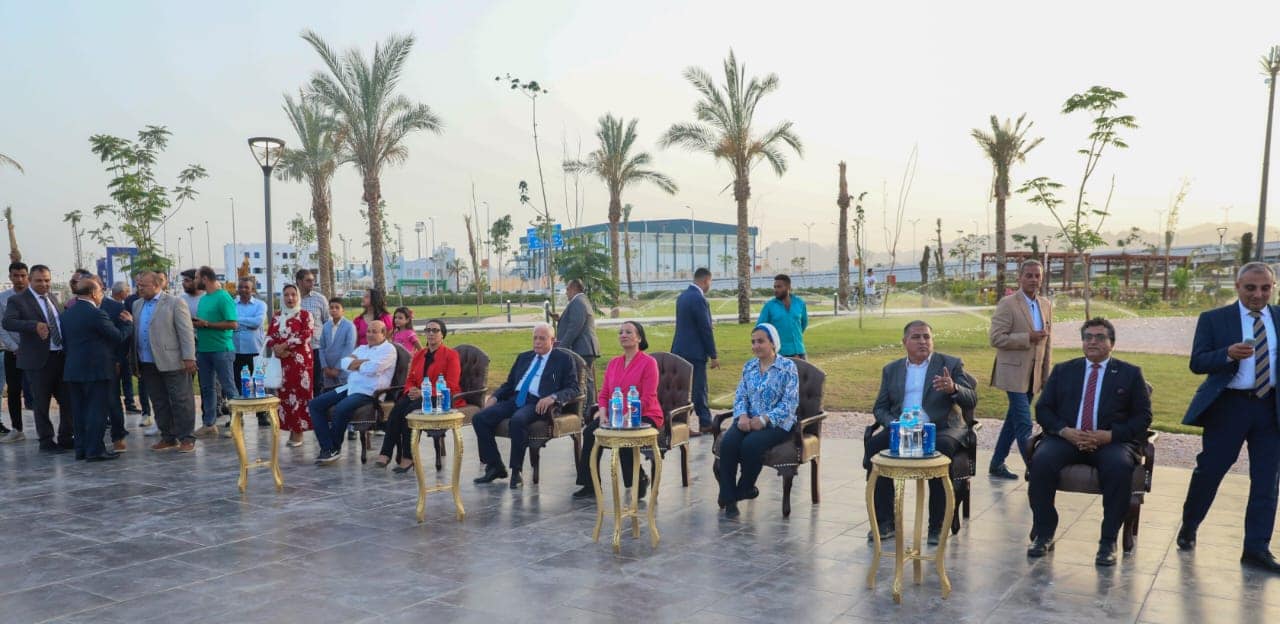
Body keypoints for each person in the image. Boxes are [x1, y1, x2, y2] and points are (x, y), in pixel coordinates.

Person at [1177, 262, 1280, 572]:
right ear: (1237, 287)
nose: (1258, 294)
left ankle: (1256, 549)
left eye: (1265, 288)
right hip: (1229, 407)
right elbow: (1197, 362)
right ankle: (1190, 525)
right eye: (1250, 288)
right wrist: (1226, 354)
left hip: (1270, 408)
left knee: (1267, 480)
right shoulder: (1214, 319)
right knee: (1210, 471)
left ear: (1272, 288)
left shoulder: (1278, 317)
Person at [1027, 318, 1151, 566]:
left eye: (1100, 337)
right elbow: (1043, 410)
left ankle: (1108, 541)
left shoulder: (1130, 374)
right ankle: (1044, 533)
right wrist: (1065, 432)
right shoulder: (1064, 371)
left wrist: (1110, 436)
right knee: (1041, 461)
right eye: (1088, 337)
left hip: (1110, 441)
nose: (1093, 342)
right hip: (1067, 438)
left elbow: (1143, 417)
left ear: (1112, 343)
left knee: (1119, 467)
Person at [865, 320, 977, 544]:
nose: (922, 341)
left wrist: (953, 388)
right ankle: (885, 522)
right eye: (916, 337)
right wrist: (894, 424)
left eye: (927, 336)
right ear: (904, 342)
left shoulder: (950, 364)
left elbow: (971, 398)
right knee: (875, 446)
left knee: (941, 449)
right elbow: (880, 408)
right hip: (904, 428)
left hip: (940, 428)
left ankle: (938, 526)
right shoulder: (892, 369)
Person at [472, 323, 579, 489]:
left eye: (542, 338)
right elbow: (509, 384)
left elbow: (573, 388)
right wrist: (495, 397)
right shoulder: (524, 357)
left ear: (552, 341)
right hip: (515, 399)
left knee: (518, 420)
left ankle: (516, 471)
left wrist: (553, 397)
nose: (537, 342)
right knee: (480, 418)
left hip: (538, 403)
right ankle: (495, 466)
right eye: (535, 338)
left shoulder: (563, 360)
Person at [717, 323, 798, 518]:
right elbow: (740, 396)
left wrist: (764, 419)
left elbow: (790, 403)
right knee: (728, 443)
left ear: (773, 343)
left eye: (760, 341)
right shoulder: (749, 366)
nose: (756, 346)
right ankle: (730, 500)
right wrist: (742, 416)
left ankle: (743, 490)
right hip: (748, 419)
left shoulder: (787, 367)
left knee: (751, 444)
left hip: (778, 423)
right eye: (753, 342)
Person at [572, 321, 661, 500]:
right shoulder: (614, 363)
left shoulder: (649, 363)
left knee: (623, 433)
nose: (623, 335)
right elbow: (604, 394)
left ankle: (638, 478)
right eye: (621, 332)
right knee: (590, 432)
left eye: (628, 332)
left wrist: (629, 415)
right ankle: (589, 484)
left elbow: (648, 397)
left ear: (639, 338)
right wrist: (603, 413)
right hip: (616, 414)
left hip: (644, 414)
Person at [988, 259, 1053, 480]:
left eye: (1037, 276)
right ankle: (1035, 472)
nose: (1034, 280)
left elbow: (1047, 343)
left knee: (1012, 421)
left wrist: (1045, 375)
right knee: (1024, 422)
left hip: (1033, 375)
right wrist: (1028, 337)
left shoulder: (1046, 304)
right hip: (1013, 374)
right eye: (1029, 275)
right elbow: (996, 338)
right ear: (1020, 278)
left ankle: (997, 463)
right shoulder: (1008, 303)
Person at [377, 318, 464, 472]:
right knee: (397, 409)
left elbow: (451, 384)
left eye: (435, 330)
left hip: (439, 398)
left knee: (410, 412)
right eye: (428, 330)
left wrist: (424, 392)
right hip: (418, 394)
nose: (431, 333)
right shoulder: (420, 354)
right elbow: (410, 379)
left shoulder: (451, 355)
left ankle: (408, 457)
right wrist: (410, 389)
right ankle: (386, 452)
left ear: (442, 334)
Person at [61, 277, 133, 461]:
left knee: (79, 411)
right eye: (100, 291)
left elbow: (66, 342)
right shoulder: (96, 313)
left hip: (73, 369)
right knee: (96, 411)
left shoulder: (67, 313)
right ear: (94, 293)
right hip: (96, 370)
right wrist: (128, 324)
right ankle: (95, 450)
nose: (102, 295)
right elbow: (117, 336)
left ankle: (81, 449)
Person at [2, 264, 72, 452]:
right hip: (38, 360)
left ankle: (66, 437)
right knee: (41, 403)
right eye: (39, 280)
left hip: (60, 357)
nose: (44, 284)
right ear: (30, 280)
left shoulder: (52, 298)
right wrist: (33, 325)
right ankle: (46, 441)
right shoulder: (18, 300)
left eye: (47, 280)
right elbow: (8, 322)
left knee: (67, 400)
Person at [307, 319, 397, 463]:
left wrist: (356, 364)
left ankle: (333, 449)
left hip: (369, 392)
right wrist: (363, 362)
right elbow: (344, 363)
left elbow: (373, 368)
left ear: (384, 333)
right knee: (315, 404)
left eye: (374, 332)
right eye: (368, 331)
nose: (370, 334)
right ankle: (328, 447)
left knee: (341, 408)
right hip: (349, 387)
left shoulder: (388, 349)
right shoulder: (362, 348)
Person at [131, 271, 198, 453]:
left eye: (143, 285)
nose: (139, 288)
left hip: (173, 361)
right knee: (159, 401)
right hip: (147, 362)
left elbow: (186, 332)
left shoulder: (175, 303)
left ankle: (186, 438)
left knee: (181, 400)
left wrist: (189, 357)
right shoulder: (137, 305)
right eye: (138, 285)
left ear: (156, 285)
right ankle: (168, 437)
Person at [266, 284, 316, 446]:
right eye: (286, 295)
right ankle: (291, 428)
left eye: (293, 294)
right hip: (281, 362)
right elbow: (269, 335)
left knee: (300, 395)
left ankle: (298, 431)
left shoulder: (305, 315)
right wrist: (276, 347)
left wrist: (285, 345)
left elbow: (306, 335)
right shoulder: (277, 316)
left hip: (300, 363)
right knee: (285, 396)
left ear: (298, 296)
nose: (290, 298)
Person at [192, 266, 239, 437]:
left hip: (221, 350)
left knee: (228, 387)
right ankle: (209, 424)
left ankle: (236, 424)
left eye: (196, 277)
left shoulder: (223, 297)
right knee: (207, 388)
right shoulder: (204, 299)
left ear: (204, 278)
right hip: (204, 350)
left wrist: (207, 324)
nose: (195, 281)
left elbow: (233, 324)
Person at [672, 267, 719, 434]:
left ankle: (688, 422)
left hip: (680, 349)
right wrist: (713, 355)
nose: (710, 285)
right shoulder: (699, 298)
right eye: (710, 282)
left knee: (686, 389)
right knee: (699, 388)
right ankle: (700, 423)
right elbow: (705, 329)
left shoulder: (683, 296)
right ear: (706, 280)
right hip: (694, 351)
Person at [555, 279, 601, 412]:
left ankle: (588, 410)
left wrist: (561, 347)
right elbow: (575, 322)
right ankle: (588, 408)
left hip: (582, 348)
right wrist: (560, 319)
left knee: (585, 380)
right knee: (586, 379)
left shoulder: (578, 302)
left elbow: (575, 327)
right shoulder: (581, 301)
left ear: (574, 288)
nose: (566, 293)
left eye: (567, 289)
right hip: (584, 347)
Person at [99, 278, 133, 452]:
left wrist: (119, 359)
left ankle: (118, 436)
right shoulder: (75, 308)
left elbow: (123, 338)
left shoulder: (116, 307)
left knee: (113, 400)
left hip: (111, 361)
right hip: (87, 363)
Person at [232, 277, 268, 426]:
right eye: (241, 287)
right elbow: (230, 322)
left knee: (259, 382)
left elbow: (257, 323)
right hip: (236, 350)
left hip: (255, 350)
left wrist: (238, 321)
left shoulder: (260, 304)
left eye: (246, 287)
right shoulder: (232, 304)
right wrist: (246, 322)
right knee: (236, 383)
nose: (243, 290)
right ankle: (238, 415)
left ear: (252, 290)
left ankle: (262, 415)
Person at [0, 262, 29, 442]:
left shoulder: (36, 297)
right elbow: (1, 327)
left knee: (42, 389)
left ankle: (47, 431)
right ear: (10, 277)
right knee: (13, 390)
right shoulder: (3, 299)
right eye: (16, 276)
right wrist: (14, 347)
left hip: (36, 351)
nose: (19, 279)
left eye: (23, 276)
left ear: (27, 276)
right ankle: (17, 429)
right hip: (14, 352)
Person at [757, 273, 809, 359]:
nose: (776, 290)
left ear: (788, 287)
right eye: (775, 287)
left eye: (779, 287)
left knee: (804, 368)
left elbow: (804, 323)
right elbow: (760, 328)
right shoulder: (769, 306)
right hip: (778, 354)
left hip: (799, 352)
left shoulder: (800, 303)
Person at [111, 281, 142, 415]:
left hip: (126, 351)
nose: (129, 293)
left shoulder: (124, 305)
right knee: (116, 382)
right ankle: (116, 409)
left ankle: (130, 404)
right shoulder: (114, 308)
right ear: (121, 292)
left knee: (127, 379)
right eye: (127, 291)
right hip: (117, 352)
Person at [296, 268, 328, 394]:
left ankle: (317, 405)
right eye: (308, 280)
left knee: (317, 382)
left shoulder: (320, 299)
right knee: (299, 382)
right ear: (299, 282)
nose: (312, 283)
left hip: (316, 347)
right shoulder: (292, 299)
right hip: (297, 349)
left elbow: (327, 322)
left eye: (313, 280)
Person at [318, 297, 356, 392]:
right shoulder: (326, 326)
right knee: (329, 395)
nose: (334, 310)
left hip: (342, 370)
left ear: (343, 310)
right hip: (327, 370)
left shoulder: (349, 326)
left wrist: (337, 368)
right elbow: (321, 347)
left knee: (343, 395)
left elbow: (349, 349)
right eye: (331, 307)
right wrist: (325, 367)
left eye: (337, 307)